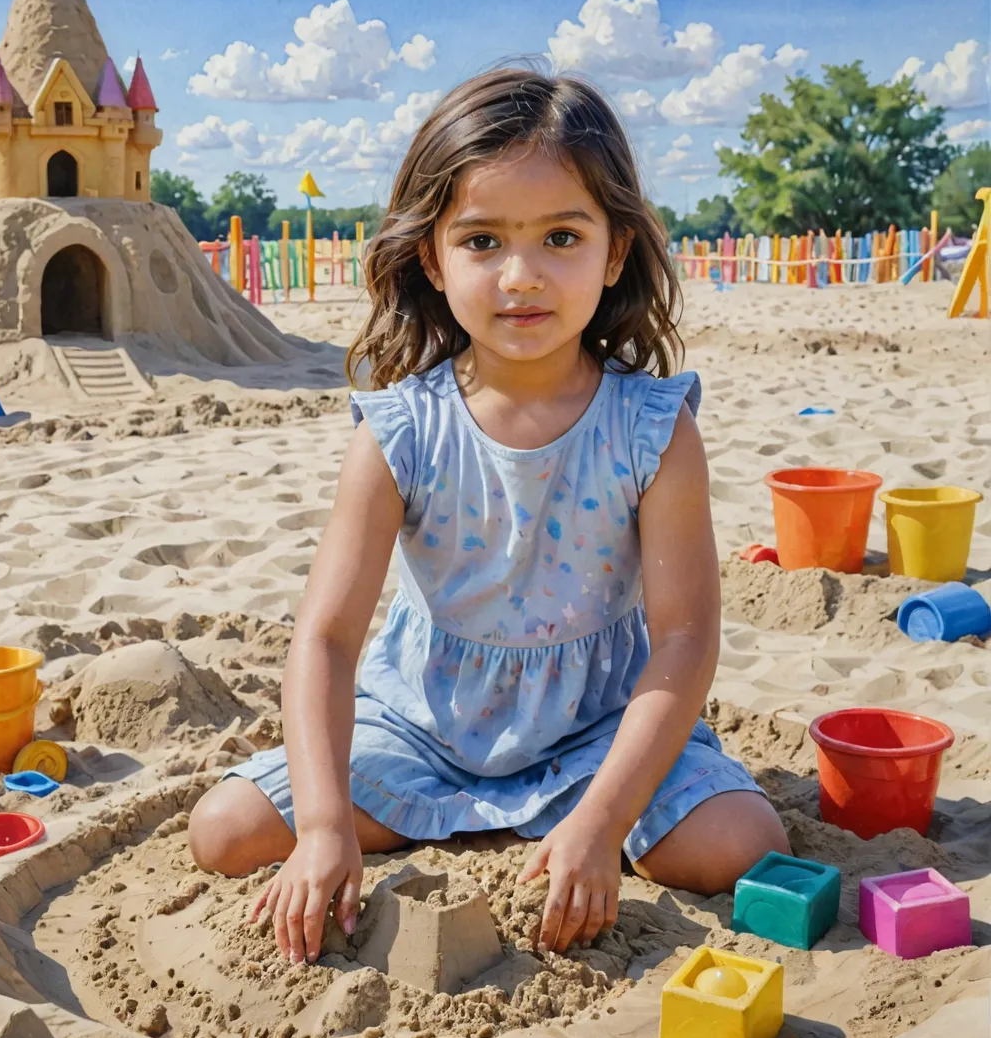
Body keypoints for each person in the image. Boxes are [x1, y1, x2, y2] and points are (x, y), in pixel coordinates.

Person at [188, 64, 790, 967]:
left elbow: (684, 640)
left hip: (596, 727)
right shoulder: (398, 429)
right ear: (431, 256)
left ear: (615, 250)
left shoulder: (653, 427)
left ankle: (564, 820)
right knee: (227, 831)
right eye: (481, 240)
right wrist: (320, 827)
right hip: (422, 725)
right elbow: (326, 641)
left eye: (560, 236)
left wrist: (602, 820)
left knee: (745, 840)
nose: (522, 276)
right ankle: (448, 815)